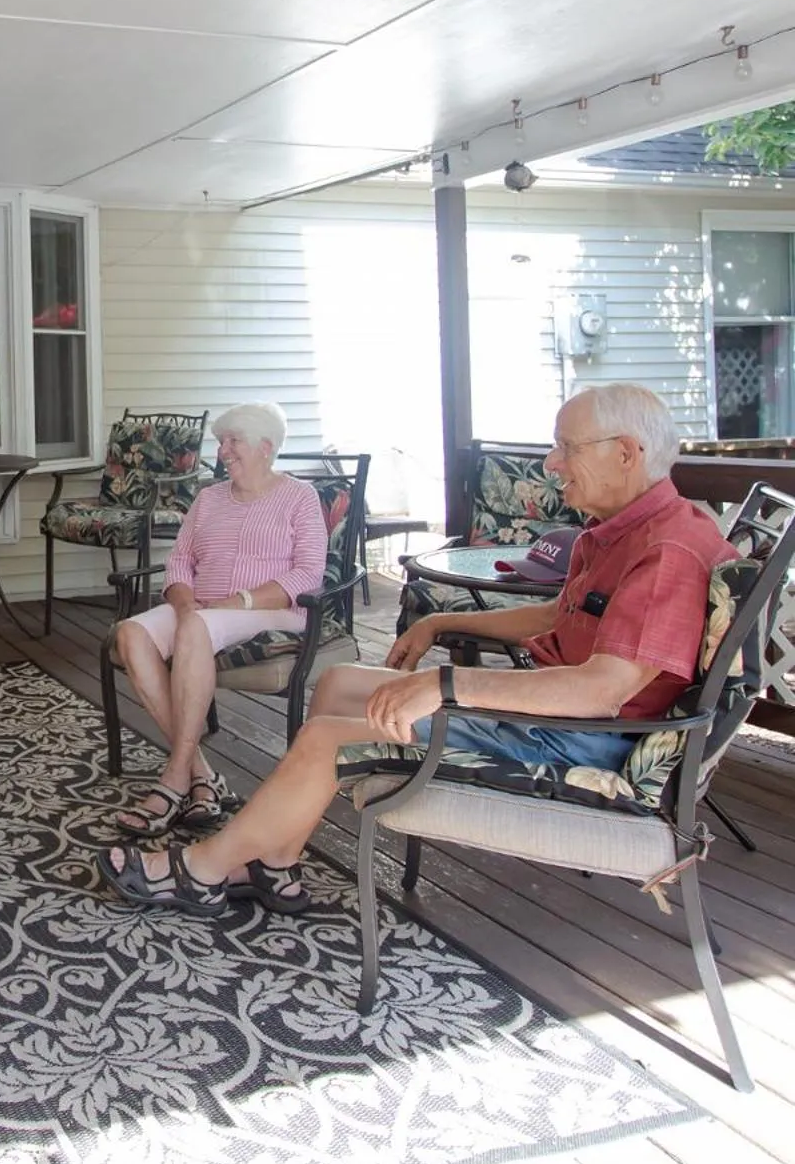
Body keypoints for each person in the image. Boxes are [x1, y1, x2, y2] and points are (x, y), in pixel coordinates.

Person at [99, 383, 736, 915]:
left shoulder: (666, 552)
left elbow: (601, 691)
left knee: (328, 736)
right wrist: (434, 630)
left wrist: (445, 685)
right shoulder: (620, 532)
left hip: (579, 741)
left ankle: (202, 870)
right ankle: (275, 862)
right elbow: (560, 614)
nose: (551, 462)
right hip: (558, 711)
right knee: (340, 684)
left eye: (566, 447)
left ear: (626, 452)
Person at [111, 401, 326, 838]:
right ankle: (202, 775)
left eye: (234, 442)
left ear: (266, 447)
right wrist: (187, 605)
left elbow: (307, 573)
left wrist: (238, 601)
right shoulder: (208, 499)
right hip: (203, 610)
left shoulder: (300, 497)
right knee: (131, 633)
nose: (223, 450)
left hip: (269, 612)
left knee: (196, 627)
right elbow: (179, 562)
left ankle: (173, 780)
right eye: (222, 442)